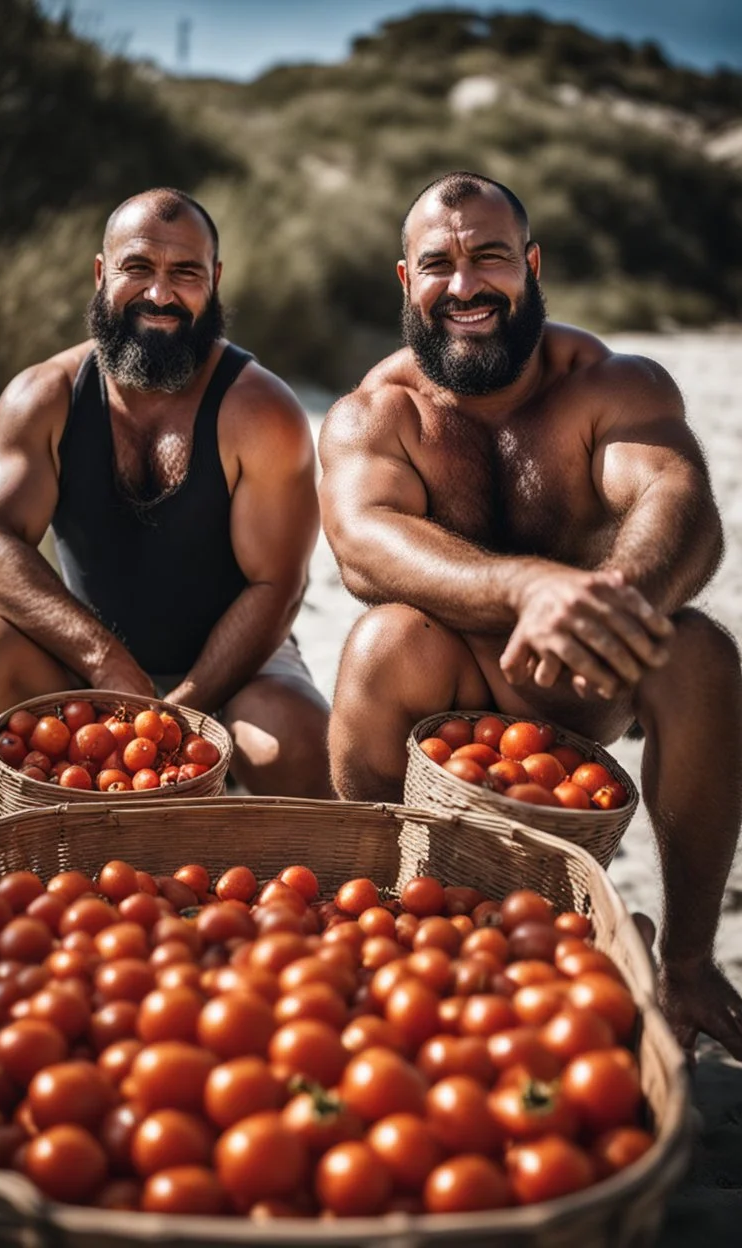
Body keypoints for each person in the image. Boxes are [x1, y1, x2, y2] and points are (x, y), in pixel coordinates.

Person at [318, 170, 742, 1059]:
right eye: (438, 263)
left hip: (585, 683)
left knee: (699, 650)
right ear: (406, 279)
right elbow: (362, 543)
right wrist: (524, 588)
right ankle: (382, 923)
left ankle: (690, 965)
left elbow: (680, 501)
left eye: (490, 258)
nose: (464, 285)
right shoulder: (380, 410)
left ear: (532, 264)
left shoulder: (608, 384)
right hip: (451, 690)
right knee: (380, 640)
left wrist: (611, 599)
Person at [0, 187, 331, 821]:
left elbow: (277, 585)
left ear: (215, 281)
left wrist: (183, 711)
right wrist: (106, 665)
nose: (160, 294)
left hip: (238, 667)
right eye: (138, 268)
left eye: (185, 273)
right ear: (101, 273)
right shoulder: (44, 397)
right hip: (82, 655)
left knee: (296, 733)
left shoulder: (261, 411)